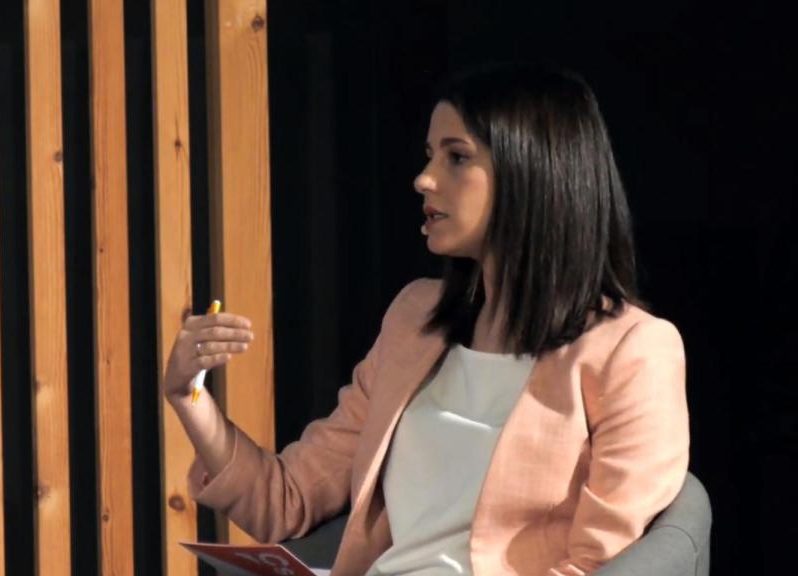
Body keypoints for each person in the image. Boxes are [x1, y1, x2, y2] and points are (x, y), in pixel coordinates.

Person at [162, 63, 690, 575]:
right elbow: (285, 500)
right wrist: (190, 396)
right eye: (429, 155)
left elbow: (602, 564)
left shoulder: (634, 350)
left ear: (534, 170)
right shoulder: (415, 319)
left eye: (457, 157)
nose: (423, 179)